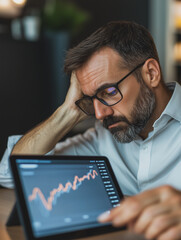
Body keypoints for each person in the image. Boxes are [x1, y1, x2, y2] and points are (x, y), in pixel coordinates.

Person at [1, 20, 181, 240]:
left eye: (109, 91)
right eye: (90, 99)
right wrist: (69, 111)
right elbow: (12, 173)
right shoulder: (101, 137)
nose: (99, 114)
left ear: (151, 73)